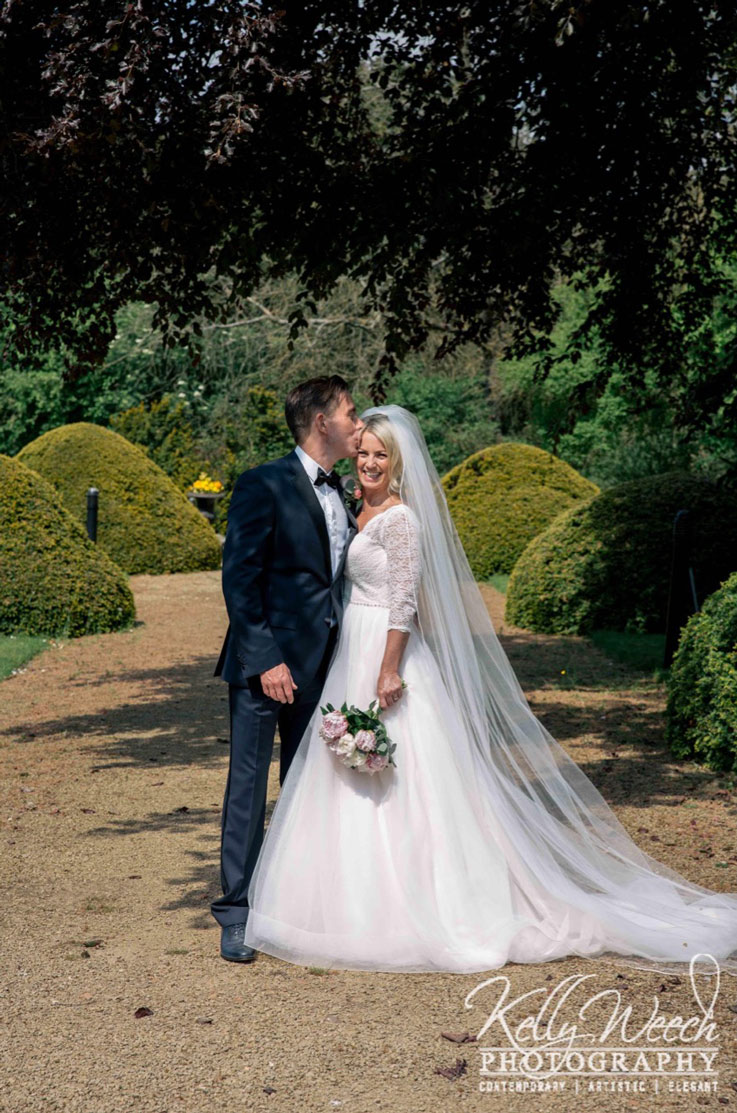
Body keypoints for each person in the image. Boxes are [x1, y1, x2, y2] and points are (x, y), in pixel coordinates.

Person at [242, 404, 737, 977]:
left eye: (383, 455)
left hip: (384, 654)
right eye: (365, 452)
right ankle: (336, 898)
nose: (371, 462)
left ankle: (423, 905)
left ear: (399, 463)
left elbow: (405, 600)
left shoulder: (401, 519)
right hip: (351, 646)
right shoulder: (358, 508)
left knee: (405, 777)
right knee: (346, 775)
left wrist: (388, 668)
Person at [211, 375, 363, 962]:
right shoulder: (262, 484)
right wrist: (266, 657)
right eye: (350, 412)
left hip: (326, 664)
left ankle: (298, 902)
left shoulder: (346, 491)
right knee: (248, 788)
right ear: (322, 421)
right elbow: (240, 580)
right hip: (265, 668)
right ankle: (237, 912)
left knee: (308, 787)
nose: (358, 421)